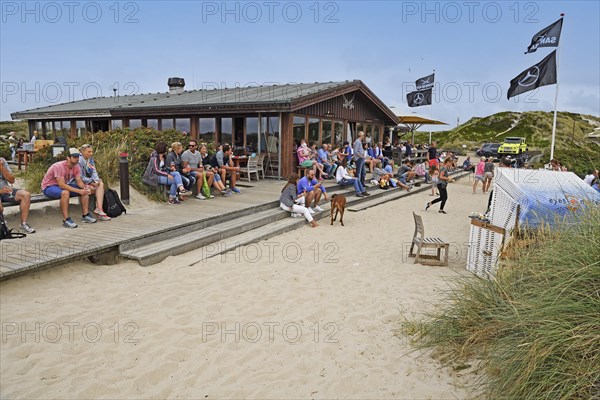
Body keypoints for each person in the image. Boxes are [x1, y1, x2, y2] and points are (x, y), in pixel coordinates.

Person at [41, 148, 97, 228]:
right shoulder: (59, 166)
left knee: (84, 190)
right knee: (65, 193)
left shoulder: (76, 166)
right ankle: (66, 220)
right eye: (74, 157)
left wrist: (85, 187)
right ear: (68, 157)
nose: (77, 159)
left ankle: (85, 215)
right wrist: (78, 191)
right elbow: (62, 185)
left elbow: (79, 181)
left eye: (78, 157)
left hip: (63, 185)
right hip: (49, 186)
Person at [0, 157, 35, 233]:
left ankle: (24, 224)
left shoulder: (2, 161)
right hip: (1, 191)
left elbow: (12, 180)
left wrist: (1, 167)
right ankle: (2, 226)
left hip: (5, 190)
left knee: (26, 195)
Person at [78, 144, 111, 221]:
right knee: (92, 189)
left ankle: (99, 208)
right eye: (88, 152)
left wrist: (96, 180)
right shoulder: (79, 160)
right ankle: (91, 212)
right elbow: (80, 176)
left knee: (100, 184)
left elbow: (93, 171)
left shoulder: (90, 159)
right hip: (79, 181)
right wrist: (91, 182)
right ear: (82, 151)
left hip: (88, 181)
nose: (91, 153)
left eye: (92, 152)